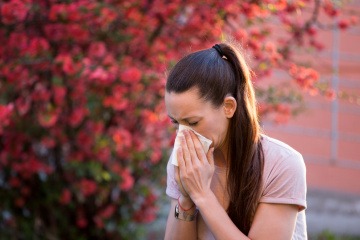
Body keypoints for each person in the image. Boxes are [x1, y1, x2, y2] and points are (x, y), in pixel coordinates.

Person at [163, 42, 307, 240]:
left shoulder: (281, 164)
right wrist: (186, 200)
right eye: (176, 123)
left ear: (228, 107)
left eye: (193, 122)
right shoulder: (186, 161)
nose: (183, 135)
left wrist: (202, 196)